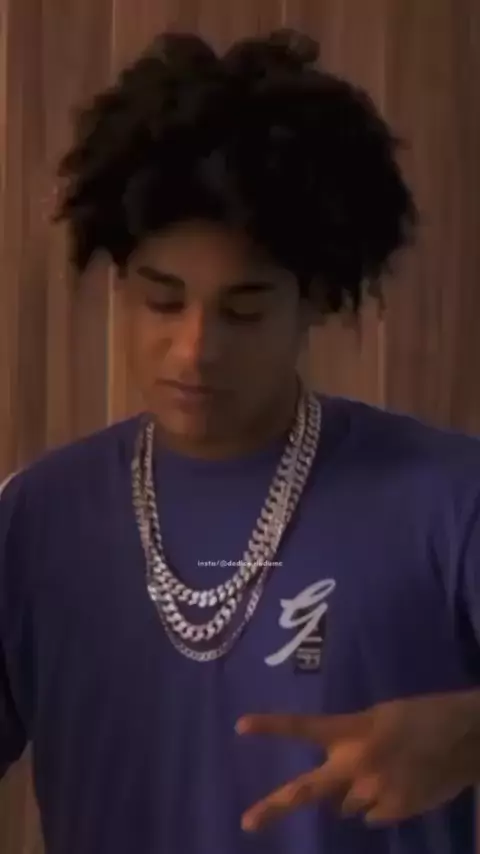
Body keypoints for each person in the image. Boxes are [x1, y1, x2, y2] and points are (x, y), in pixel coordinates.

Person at [1, 28, 479, 854]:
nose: (195, 350)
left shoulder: (447, 499)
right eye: (162, 302)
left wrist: (471, 732)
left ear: (316, 300)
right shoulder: (36, 518)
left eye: (244, 310)